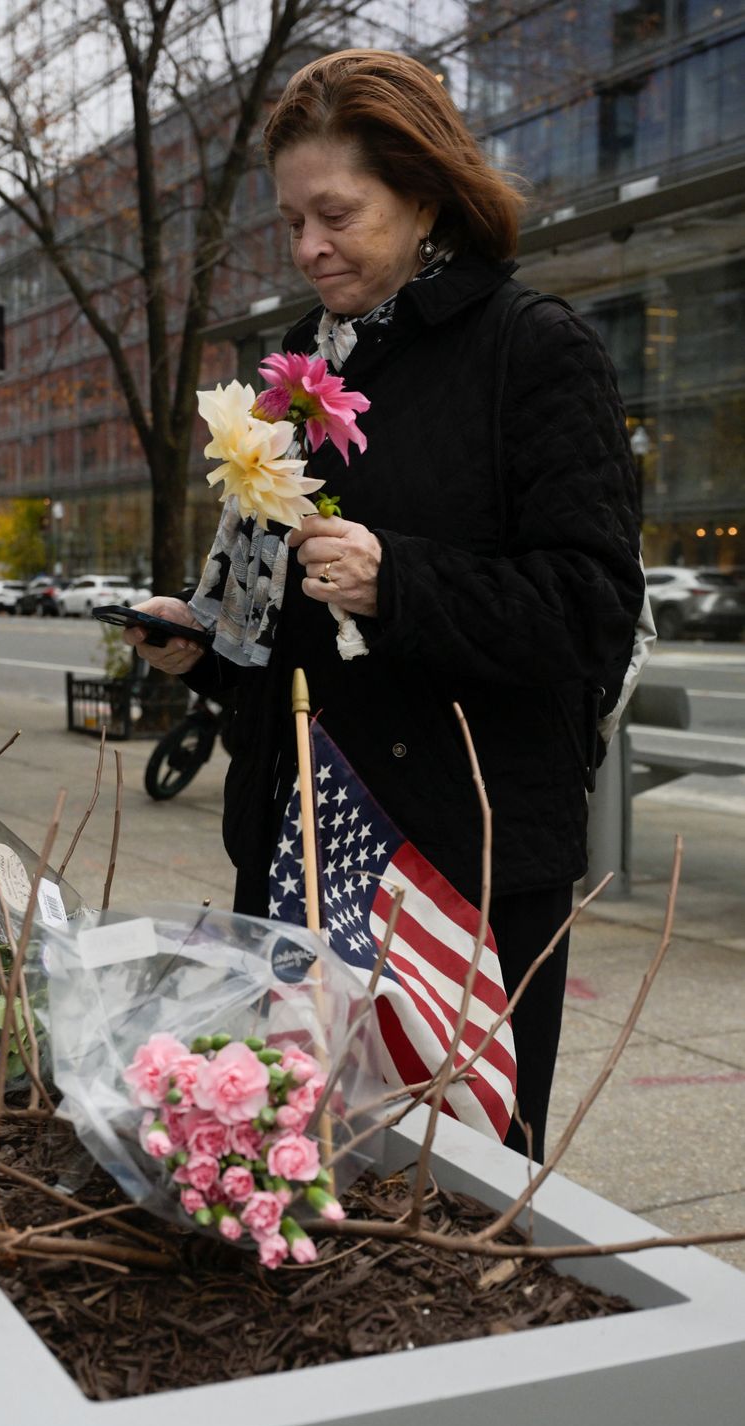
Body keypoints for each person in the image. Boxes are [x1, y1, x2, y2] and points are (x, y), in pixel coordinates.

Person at [125, 50, 645, 1162]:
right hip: (299, 853)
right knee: (295, 1160)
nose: (309, 246)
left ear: (422, 196)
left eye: (336, 214)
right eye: (291, 220)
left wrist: (399, 578)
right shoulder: (298, 377)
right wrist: (202, 654)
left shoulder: (532, 351)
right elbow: (303, 640)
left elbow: (592, 608)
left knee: (449, 1184)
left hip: (459, 860)